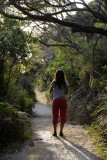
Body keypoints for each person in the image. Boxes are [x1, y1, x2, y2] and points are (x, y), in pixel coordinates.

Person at [50, 69, 69, 137]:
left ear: (56, 75)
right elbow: (66, 93)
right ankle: (61, 132)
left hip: (56, 100)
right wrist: (62, 92)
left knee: (55, 116)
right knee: (63, 116)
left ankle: (55, 132)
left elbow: (50, 91)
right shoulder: (65, 83)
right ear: (63, 75)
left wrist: (55, 92)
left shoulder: (54, 83)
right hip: (63, 100)